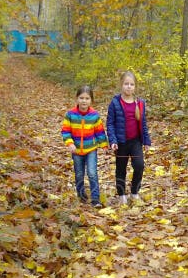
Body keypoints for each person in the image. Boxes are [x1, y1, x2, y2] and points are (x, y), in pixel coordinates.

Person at [106, 71, 152, 205]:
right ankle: (121, 195)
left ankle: (134, 192)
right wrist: (113, 140)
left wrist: (146, 141)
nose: (129, 87)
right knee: (121, 169)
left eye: (132, 84)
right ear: (121, 85)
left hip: (135, 142)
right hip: (121, 143)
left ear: (135, 87)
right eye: (126, 84)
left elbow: (143, 123)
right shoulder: (115, 103)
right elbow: (110, 123)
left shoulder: (140, 103)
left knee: (139, 166)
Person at [61, 85, 108, 208]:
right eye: (81, 98)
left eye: (87, 98)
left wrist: (104, 145)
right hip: (76, 150)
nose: (84, 101)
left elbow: (99, 131)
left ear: (91, 100)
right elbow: (65, 131)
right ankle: (81, 196)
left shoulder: (94, 115)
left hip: (91, 149)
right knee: (79, 174)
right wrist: (70, 143)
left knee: (92, 173)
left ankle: (95, 199)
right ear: (77, 99)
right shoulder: (70, 115)